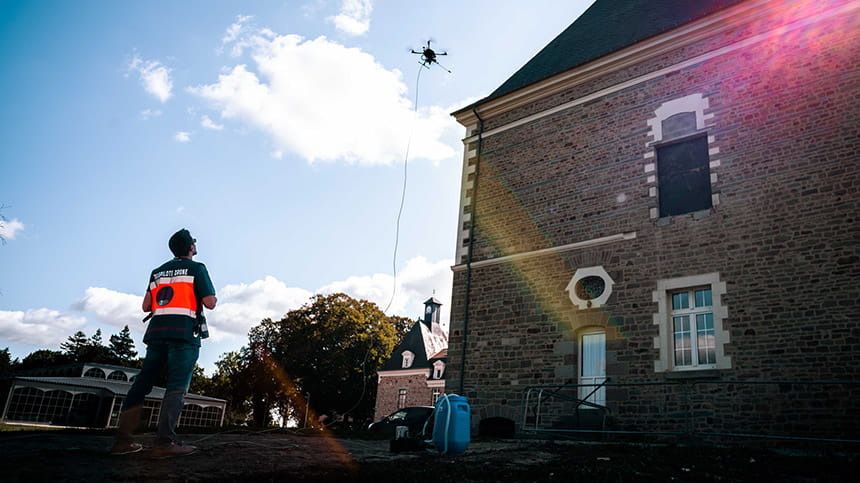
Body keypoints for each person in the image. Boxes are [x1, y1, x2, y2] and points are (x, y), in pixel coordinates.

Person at [110, 228, 217, 456]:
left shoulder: (157, 272)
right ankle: (164, 442)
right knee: (176, 387)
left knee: (142, 384)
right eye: (194, 242)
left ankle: (123, 440)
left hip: (157, 333)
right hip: (184, 335)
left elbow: (147, 306)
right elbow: (210, 302)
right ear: (190, 247)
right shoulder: (197, 269)